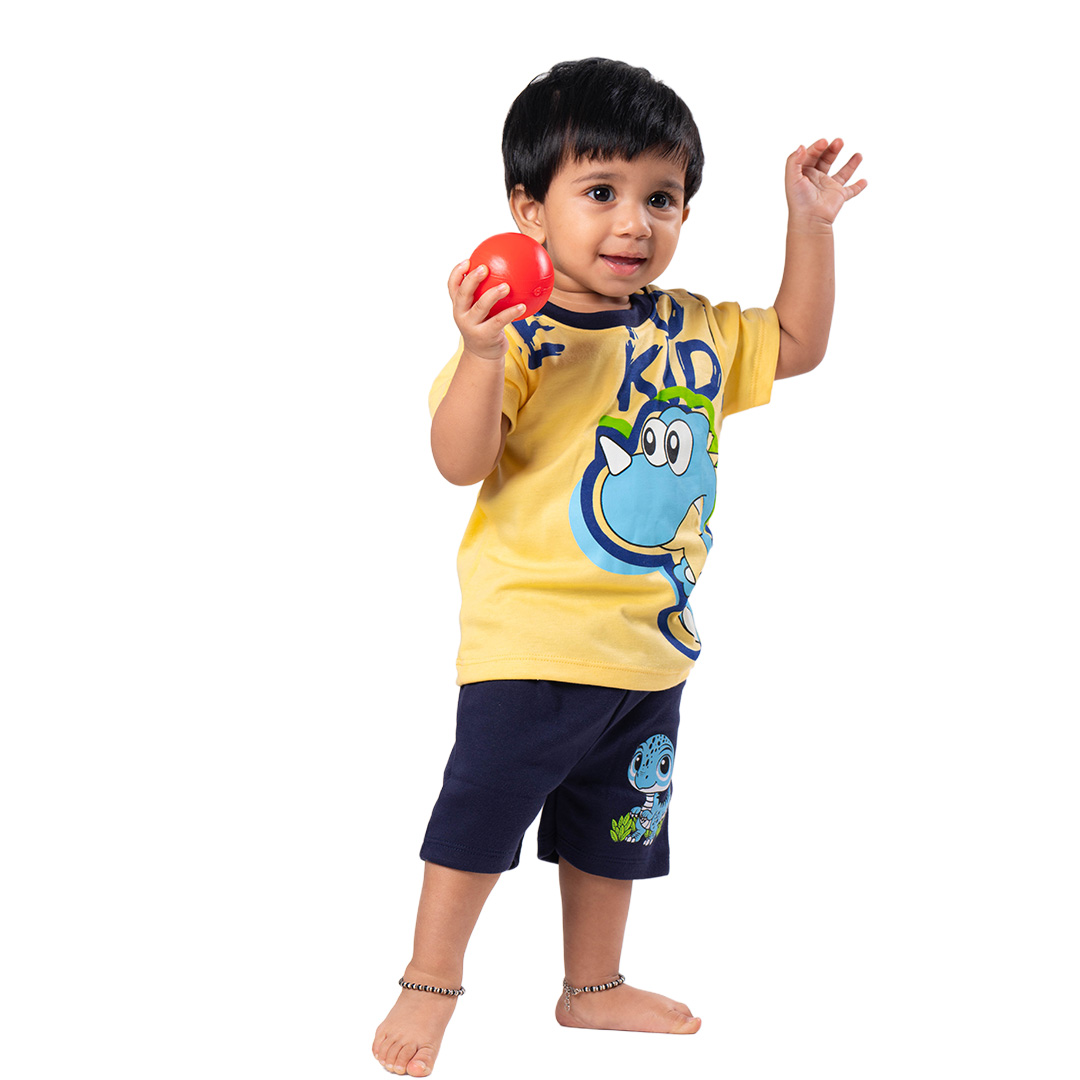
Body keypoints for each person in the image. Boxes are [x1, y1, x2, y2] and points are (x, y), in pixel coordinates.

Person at [373, 57, 866, 1076]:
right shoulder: (518, 337)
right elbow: (458, 460)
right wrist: (478, 354)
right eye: (600, 192)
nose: (635, 222)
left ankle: (591, 987)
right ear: (529, 209)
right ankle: (429, 979)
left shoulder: (694, 327)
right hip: (533, 640)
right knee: (481, 814)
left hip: (650, 644)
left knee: (619, 824)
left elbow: (799, 343)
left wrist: (809, 227)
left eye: (661, 197)